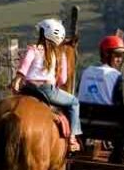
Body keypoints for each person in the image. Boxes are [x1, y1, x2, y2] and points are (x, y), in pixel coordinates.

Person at [10, 19, 82, 151]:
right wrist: (56, 83)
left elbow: (25, 64)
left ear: (43, 35)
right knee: (74, 102)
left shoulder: (33, 49)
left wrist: (18, 79)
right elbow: (63, 79)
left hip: (28, 88)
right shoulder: (60, 55)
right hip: (47, 90)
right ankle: (72, 137)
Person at [77, 35, 124, 105]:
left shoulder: (86, 72)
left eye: (121, 56)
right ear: (106, 54)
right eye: (117, 55)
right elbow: (120, 103)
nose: (120, 59)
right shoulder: (116, 76)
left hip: (81, 113)